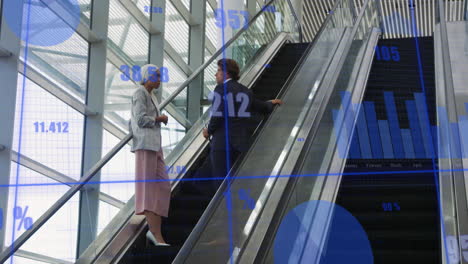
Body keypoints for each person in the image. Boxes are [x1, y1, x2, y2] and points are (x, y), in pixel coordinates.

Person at [202, 58, 283, 188]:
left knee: (221, 182)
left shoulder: (221, 89)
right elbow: (258, 106)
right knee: (236, 181)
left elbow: (218, 113)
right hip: (240, 143)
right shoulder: (245, 91)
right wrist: (270, 103)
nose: (215, 74)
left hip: (222, 144)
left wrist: (208, 131)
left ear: (227, 73)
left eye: (218, 70)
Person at [130, 64, 171, 246]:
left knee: (163, 186)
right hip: (145, 144)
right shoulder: (140, 93)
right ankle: (156, 234)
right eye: (157, 76)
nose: (160, 79)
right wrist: (158, 119)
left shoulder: (151, 95)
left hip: (155, 145)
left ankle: (155, 233)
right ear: (147, 76)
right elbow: (139, 119)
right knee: (148, 190)